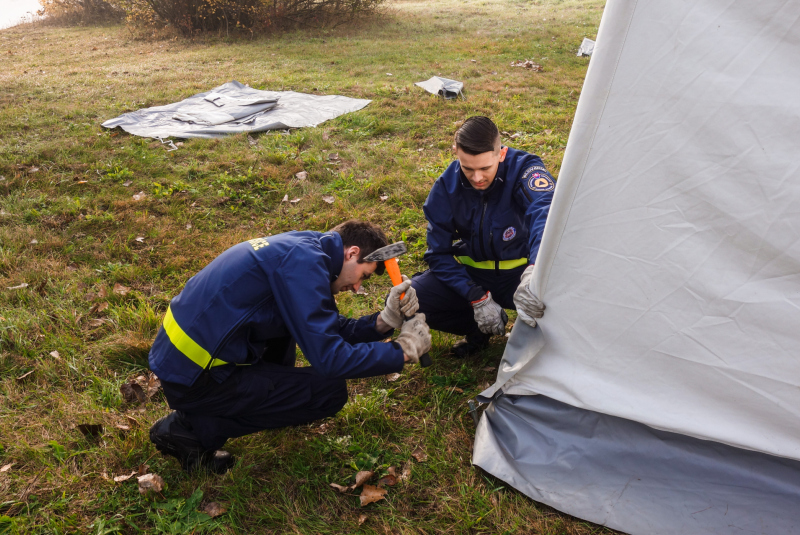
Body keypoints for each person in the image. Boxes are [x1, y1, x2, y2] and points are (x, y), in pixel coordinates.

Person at [147, 220, 431, 474]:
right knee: (328, 391)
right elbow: (330, 360)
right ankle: (189, 430)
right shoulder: (305, 265)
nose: (358, 288)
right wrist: (402, 350)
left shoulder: (305, 249)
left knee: (290, 337)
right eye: (364, 276)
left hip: (186, 362)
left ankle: (247, 397)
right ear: (352, 253)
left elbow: (321, 325)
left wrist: (383, 321)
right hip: (196, 378)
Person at [411, 116, 549, 357]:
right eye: (467, 168)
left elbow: (546, 211)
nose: (477, 178)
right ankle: (477, 329)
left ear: (501, 154)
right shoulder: (446, 187)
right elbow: (438, 254)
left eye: (485, 168)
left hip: (522, 275)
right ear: (455, 152)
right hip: (475, 277)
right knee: (412, 299)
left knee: (568, 299)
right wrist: (475, 296)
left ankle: (549, 346)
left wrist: (535, 270)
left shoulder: (524, 169)